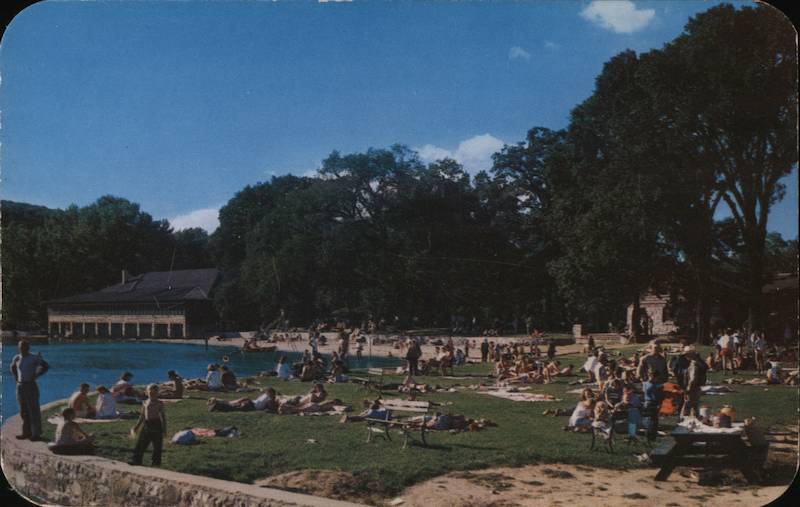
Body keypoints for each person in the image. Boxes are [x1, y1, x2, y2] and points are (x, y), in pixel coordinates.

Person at [10, 340, 50, 441]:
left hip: (30, 385)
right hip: (20, 386)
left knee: (33, 410)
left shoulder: (34, 357)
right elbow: (13, 367)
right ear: (18, 347)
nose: (22, 348)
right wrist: (16, 378)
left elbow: (45, 366)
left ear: (28, 347)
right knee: (23, 411)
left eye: (24, 346)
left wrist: (36, 375)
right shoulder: (17, 357)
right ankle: (26, 433)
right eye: (21, 347)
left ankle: (36, 434)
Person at [129, 384, 166, 466]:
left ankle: (155, 462)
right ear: (147, 392)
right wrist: (136, 427)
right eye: (150, 392)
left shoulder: (159, 403)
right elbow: (142, 416)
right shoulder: (145, 402)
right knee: (141, 443)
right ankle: (136, 460)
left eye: (154, 392)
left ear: (157, 393)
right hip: (147, 424)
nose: (152, 394)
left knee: (157, 445)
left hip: (156, 424)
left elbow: (163, 416)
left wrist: (164, 429)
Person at [681, 346, 707, 419]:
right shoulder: (698, 363)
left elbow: (693, 377)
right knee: (695, 405)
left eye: (687, 354)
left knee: (688, 404)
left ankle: (683, 420)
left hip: (692, 387)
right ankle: (695, 418)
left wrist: (688, 388)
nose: (686, 356)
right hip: (697, 387)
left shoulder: (693, 364)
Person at [209, 387, 279, 412]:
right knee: (234, 408)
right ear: (271, 393)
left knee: (233, 405)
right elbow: (271, 407)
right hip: (251, 405)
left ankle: (219, 405)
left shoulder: (264, 395)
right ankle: (218, 405)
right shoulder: (269, 398)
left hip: (251, 402)